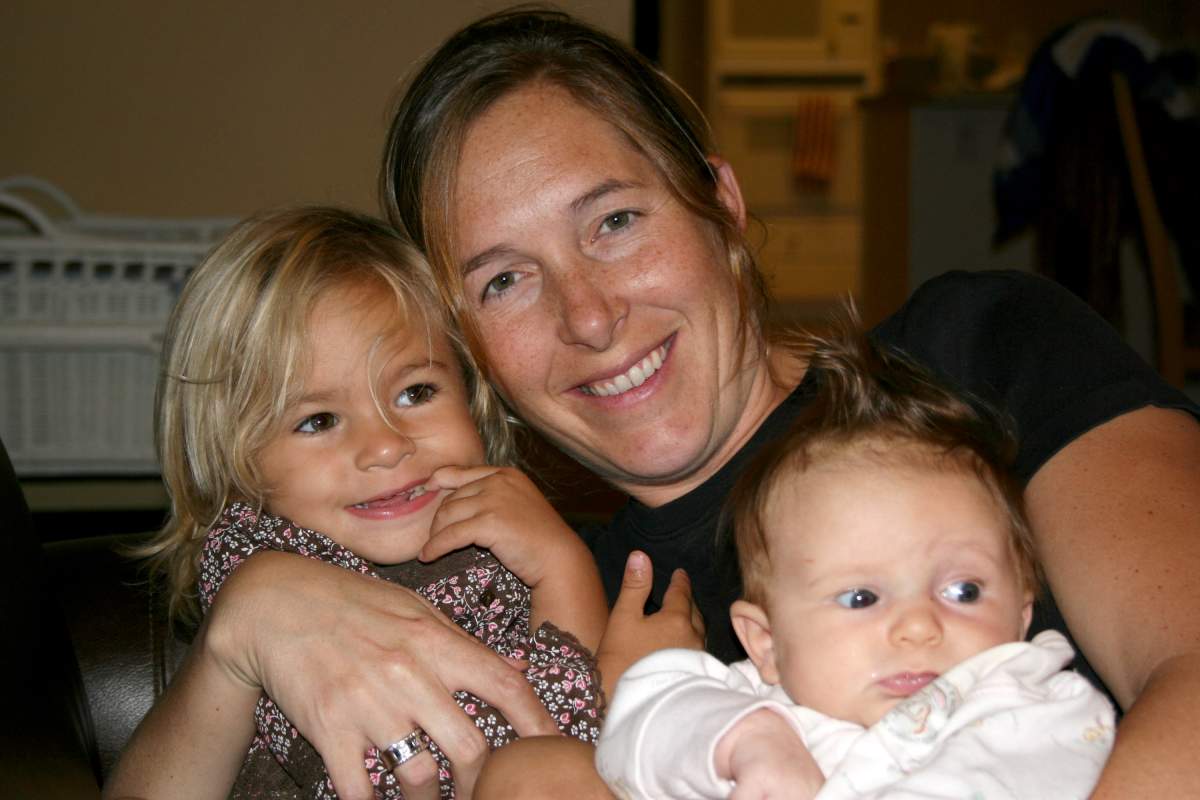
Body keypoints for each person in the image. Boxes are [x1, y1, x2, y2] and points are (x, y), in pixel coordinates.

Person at [108, 8, 1200, 800]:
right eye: (503, 278)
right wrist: (240, 629)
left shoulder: (976, 354)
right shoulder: (545, 593)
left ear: (718, 204)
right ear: (467, 344)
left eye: (615, 220)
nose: (588, 314)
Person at [121, 206, 606, 798]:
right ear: (235, 464)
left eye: (416, 391)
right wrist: (568, 576)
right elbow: (548, 736)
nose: (384, 446)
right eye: (318, 420)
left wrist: (558, 563)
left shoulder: (506, 545)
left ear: (473, 397)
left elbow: (573, 744)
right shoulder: (263, 566)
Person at [594, 317, 1116, 798]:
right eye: (861, 597)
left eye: (964, 591)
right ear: (766, 643)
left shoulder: (1040, 715)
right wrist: (750, 740)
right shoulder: (758, 701)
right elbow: (641, 716)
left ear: (1021, 616)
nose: (918, 626)